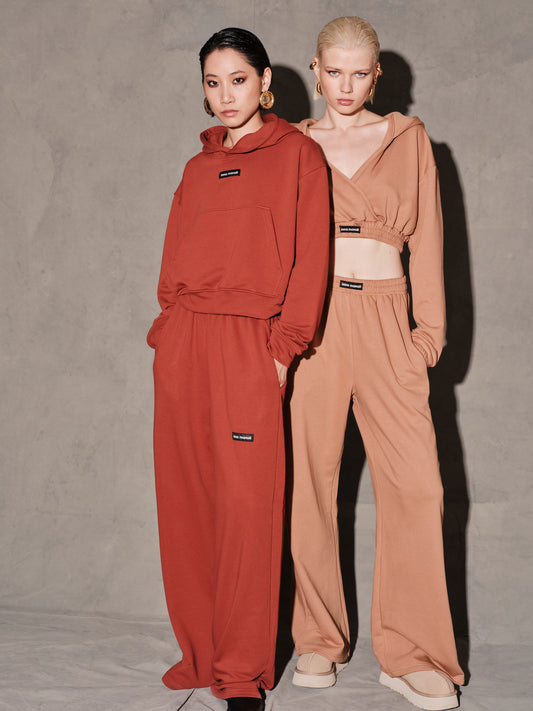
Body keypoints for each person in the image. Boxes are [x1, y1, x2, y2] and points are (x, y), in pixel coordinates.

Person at [146, 27, 330, 711]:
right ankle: (200, 652)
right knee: (187, 502)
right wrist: (167, 331)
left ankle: (242, 671)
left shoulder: (299, 156)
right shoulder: (197, 168)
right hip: (186, 344)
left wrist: (284, 347)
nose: (226, 95)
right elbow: (173, 258)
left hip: (251, 343)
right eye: (213, 82)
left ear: (265, 82)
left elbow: (310, 260)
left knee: (249, 508)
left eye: (239, 79)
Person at [289, 16, 465, 711]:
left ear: (376, 75)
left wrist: (427, 338)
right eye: (334, 72)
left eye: (359, 73)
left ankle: (412, 653)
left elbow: (430, 241)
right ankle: (317, 637)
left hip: (388, 320)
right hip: (315, 324)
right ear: (315, 69)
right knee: (309, 483)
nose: (346, 86)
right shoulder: (292, 145)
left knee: (417, 486)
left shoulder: (407, 139)